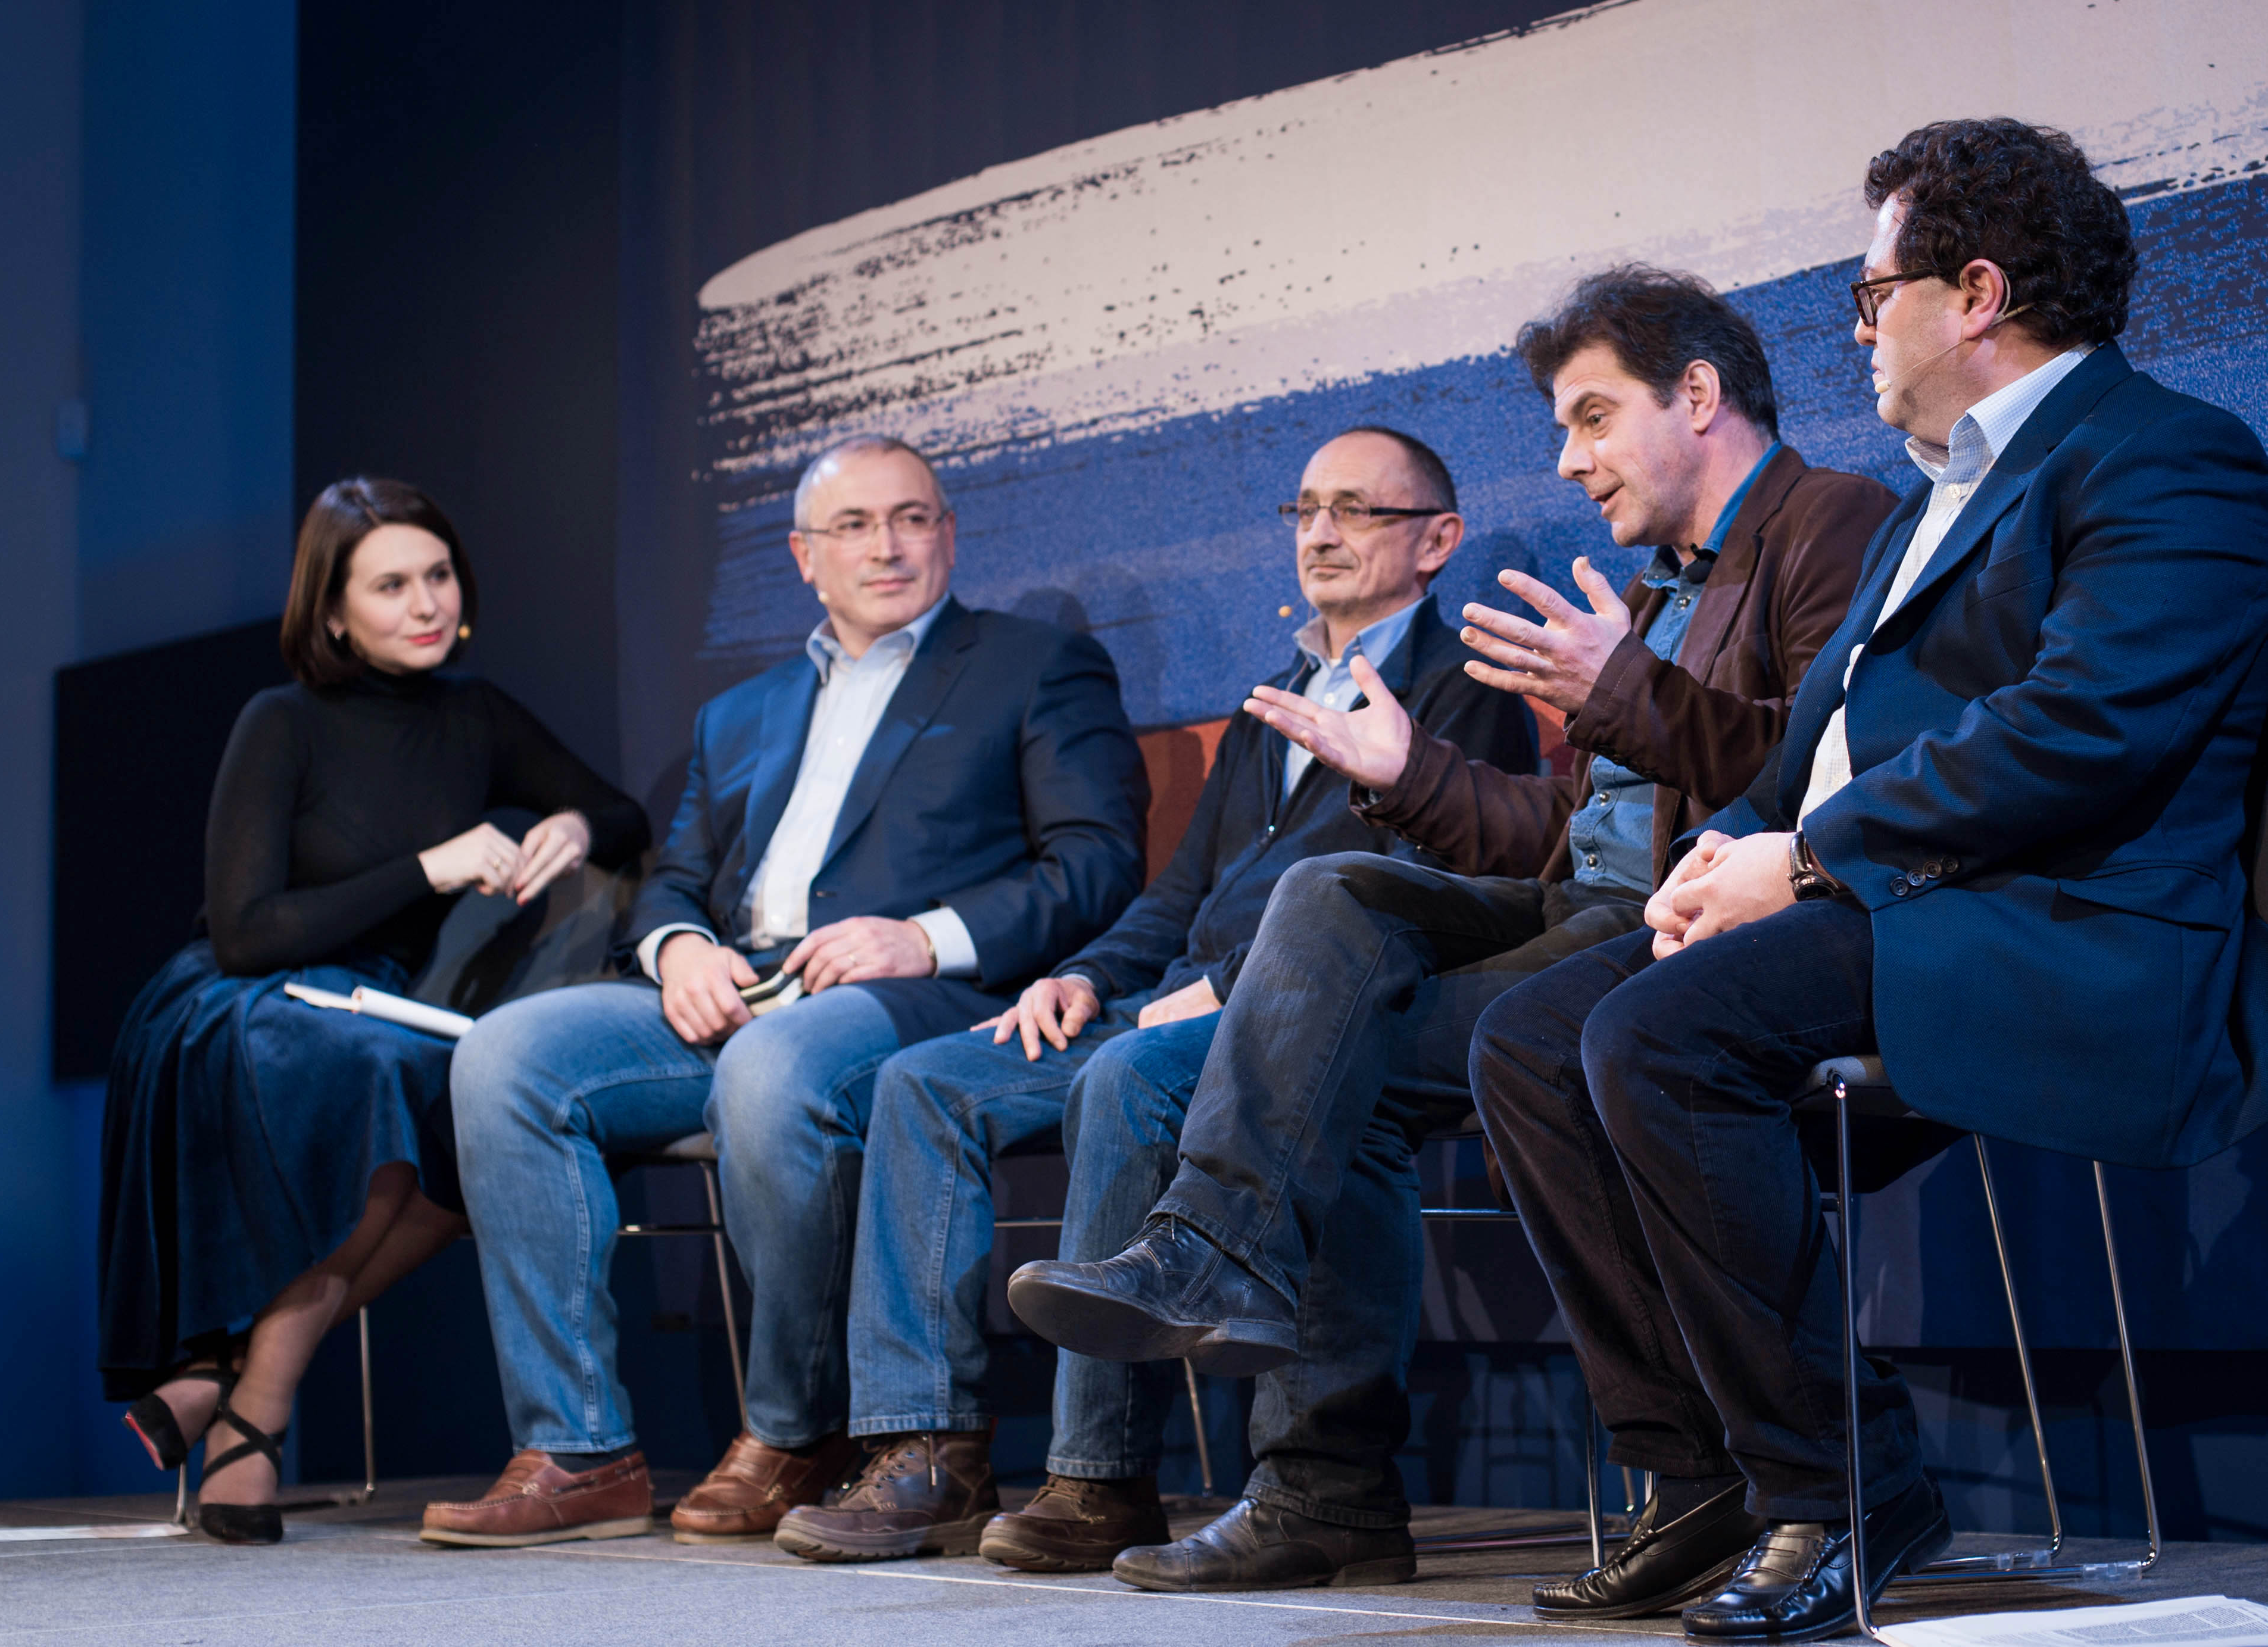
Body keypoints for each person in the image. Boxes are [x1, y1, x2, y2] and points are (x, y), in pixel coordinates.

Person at [1468, 117, 2268, 1641]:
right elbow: (1821, 739)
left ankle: (1840, 1480)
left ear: (1972, 294)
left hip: (2057, 926)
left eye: (1871, 292)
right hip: (1885, 901)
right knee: (1527, 1041)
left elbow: (2083, 731)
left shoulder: (2174, 456)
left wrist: (1806, 857)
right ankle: (1695, 1467)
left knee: (1658, 1036)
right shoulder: (1924, 498)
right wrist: (1723, 855)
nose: (1858, 329)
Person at [1012, 267, 1893, 1590]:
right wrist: (1406, 773)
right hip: (1581, 904)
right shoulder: (1666, 586)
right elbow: (1564, 834)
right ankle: (1219, 1270)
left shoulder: (1831, 523)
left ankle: (1328, 1469)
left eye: (1592, 419)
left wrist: (1627, 695)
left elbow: (1818, 779)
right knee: (1330, 894)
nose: (1571, 459)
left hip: (1703, 933)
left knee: (1349, 1069)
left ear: (1698, 397)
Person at [767, 428, 1540, 1567]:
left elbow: (1449, 890)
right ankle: (926, 1450)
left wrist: (1230, 988)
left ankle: (1100, 1477)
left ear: (1438, 540)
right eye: (1307, 510)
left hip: (1295, 1017)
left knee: (1130, 1077)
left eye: (1358, 512)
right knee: (924, 1083)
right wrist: (1084, 971)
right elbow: (1182, 892)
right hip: (1166, 1000)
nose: (1321, 533)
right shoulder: (1274, 696)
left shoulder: (1463, 691)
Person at [425, 435, 1148, 1548]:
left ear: (950, 534)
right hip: (746, 985)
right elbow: (675, 875)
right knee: (507, 1055)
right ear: (807, 558)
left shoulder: (1035, 665)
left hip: (929, 997)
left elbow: (1097, 859)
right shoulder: (740, 712)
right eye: (855, 526)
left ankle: (794, 1428)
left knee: (774, 1066)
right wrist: (676, 947)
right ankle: (579, 1449)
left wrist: (922, 935)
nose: (889, 544)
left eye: (914, 517)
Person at [98, 476, 650, 1544]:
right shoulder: (281, 722)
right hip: (242, 1005)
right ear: (334, 611)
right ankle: (253, 1411)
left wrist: (577, 827)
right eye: (391, 585)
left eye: (437, 575)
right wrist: (430, 865)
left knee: (479, 1110)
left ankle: (231, 1377)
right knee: (382, 1076)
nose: (426, 602)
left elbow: (624, 815)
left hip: (377, 1011)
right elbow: (248, 930)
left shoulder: (474, 714)